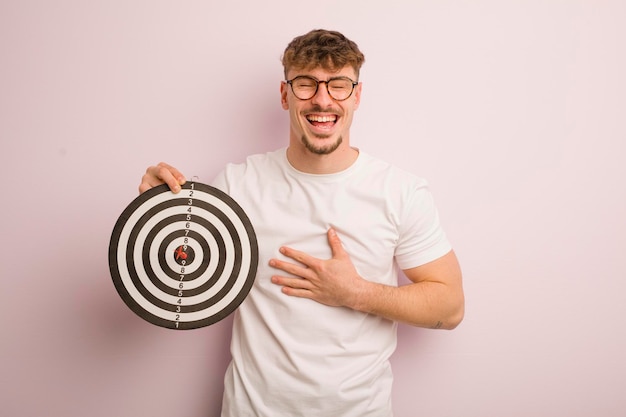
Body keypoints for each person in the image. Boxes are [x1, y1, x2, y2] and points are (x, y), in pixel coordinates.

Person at [139, 29, 464, 417]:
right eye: (306, 84)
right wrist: (155, 208)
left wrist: (356, 292)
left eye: (338, 85)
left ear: (357, 95)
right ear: (285, 94)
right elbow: (174, 270)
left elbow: (451, 307)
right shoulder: (237, 185)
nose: (322, 99)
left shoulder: (400, 191)